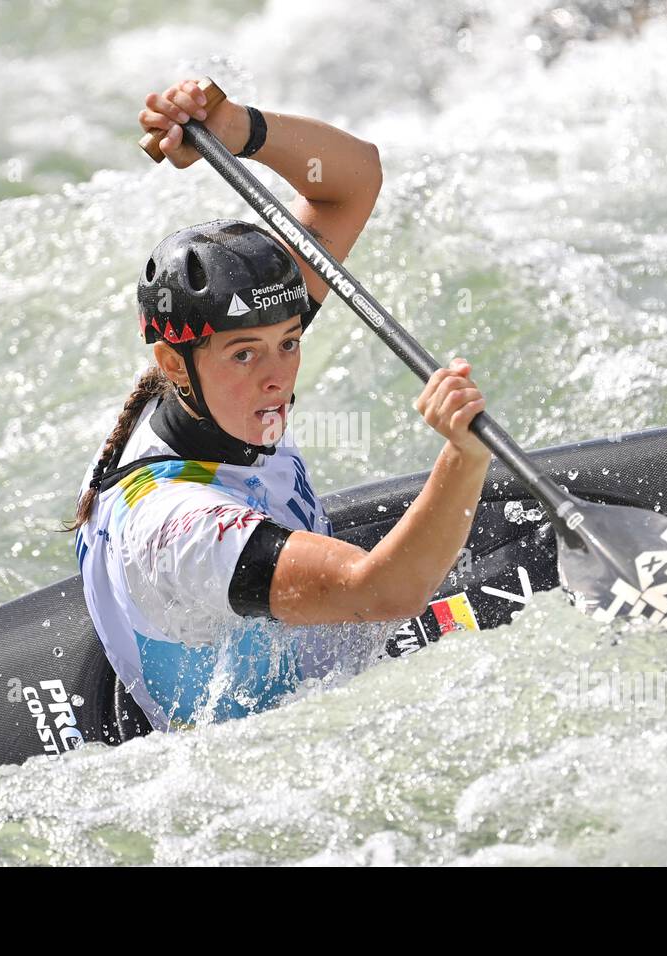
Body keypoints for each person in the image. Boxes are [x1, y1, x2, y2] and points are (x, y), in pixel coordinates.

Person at [66, 79, 491, 741]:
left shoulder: (194, 389)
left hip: (300, 650)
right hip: (295, 744)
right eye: (245, 355)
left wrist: (240, 129)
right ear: (174, 362)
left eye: (289, 343)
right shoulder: (180, 527)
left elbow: (351, 182)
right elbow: (379, 592)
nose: (276, 379)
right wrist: (464, 460)